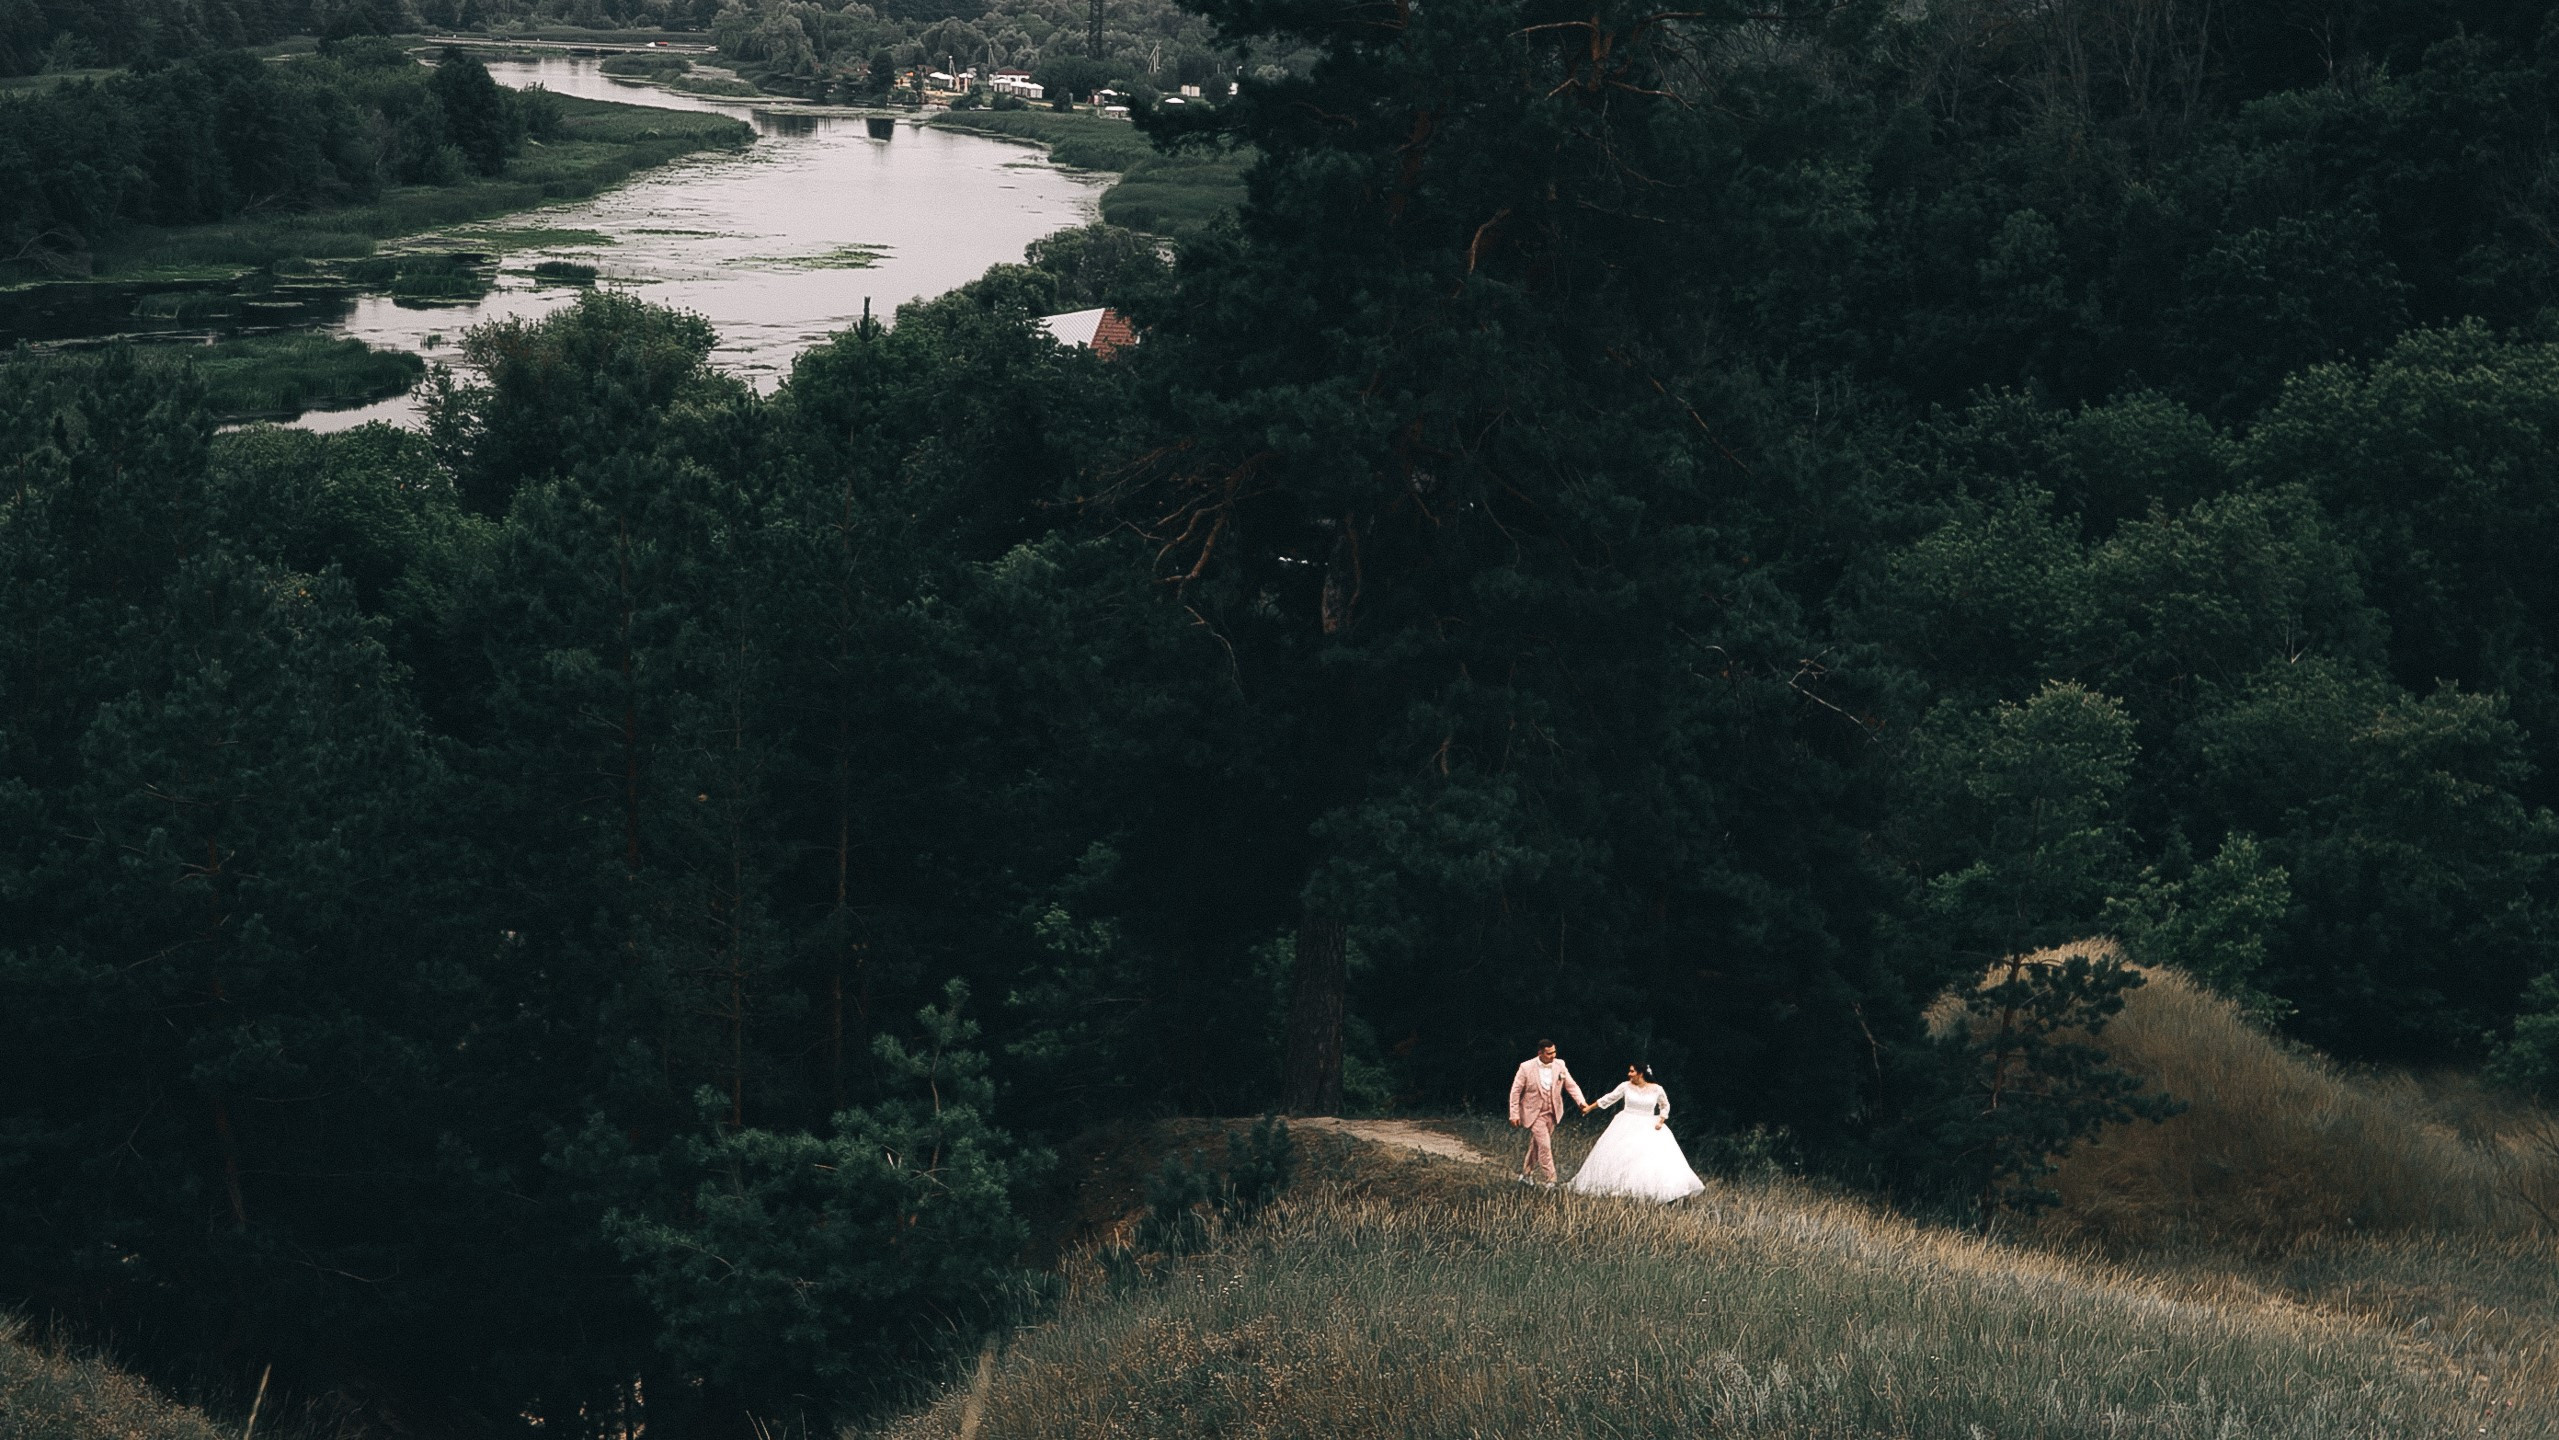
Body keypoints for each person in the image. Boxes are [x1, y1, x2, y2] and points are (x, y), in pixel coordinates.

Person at [1569, 1063, 1706, 1202]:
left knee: (1647, 1158)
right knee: (1622, 1155)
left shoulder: (1657, 1089)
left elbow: (1665, 1105)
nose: (1629, 1074)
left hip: (1648, 1124)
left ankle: (1648, 1190)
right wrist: (1589, 1108)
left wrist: (1661, 1120)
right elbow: (1609, 1098)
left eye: (1632, 1071)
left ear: (1641, 1073)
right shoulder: (1625, 1086)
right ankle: (1619, 1186)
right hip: (1625, 1123)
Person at [1507, 1039, 1587, 1187]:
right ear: (1540, 1053)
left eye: (1554, 1052)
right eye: (1549, 1053)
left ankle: (1525, 1174)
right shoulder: (1526, 1067)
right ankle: (1551, 1180)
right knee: (1545, 1146)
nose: (1553, 1055)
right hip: (1534, 1113)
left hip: (1552, 1112)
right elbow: (1515, 1091)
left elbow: (1571, 1085)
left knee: (1537, 1145)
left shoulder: (1560, 1065)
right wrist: (1514, 1114)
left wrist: (1581, 1103)